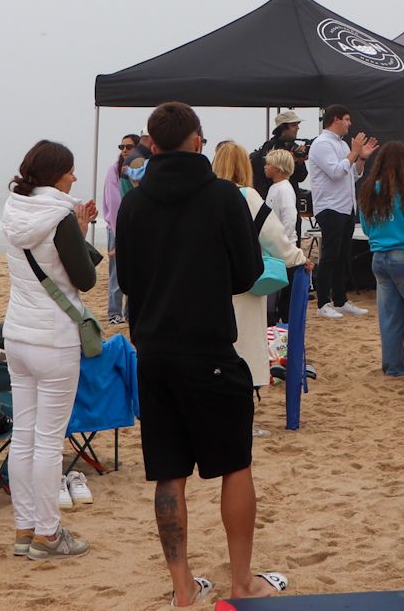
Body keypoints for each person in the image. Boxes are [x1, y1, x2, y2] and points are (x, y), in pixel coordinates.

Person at [113, 103, 283, 607]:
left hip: (154, 351)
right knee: (235, 464)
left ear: (152, 144)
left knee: (169, 472)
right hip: (209, 347)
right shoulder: (223, 197)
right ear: (196, 141)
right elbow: (248, 273)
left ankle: (183, 586)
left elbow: (129, 281)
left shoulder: (135, 205)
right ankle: (241, 581)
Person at [1, 140, 102, 561]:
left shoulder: (14, 208)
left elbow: (49, 263)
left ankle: (25, 529)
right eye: (70, 171)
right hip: (54, 338)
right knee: (47, 440)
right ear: (56, 174)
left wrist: (77, 231)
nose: (74, 177)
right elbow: (84, 279)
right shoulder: (60, 215)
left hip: (17, 334)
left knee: (23, 436)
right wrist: (78, 229)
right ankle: (48, 533)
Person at [212, 141, 306, 394]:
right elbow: (273, 236)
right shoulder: (246, 196)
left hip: (210, 283)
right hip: (243, 284)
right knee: (244, 344)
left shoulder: (203, 197)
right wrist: (298, 257)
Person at [357, 142, 404, 377]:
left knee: (389, 317)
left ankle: (395, 366)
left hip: (379, 259)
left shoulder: (369, 190)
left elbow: (366, 228)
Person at [308, 107, 375, 319]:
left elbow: (352, 175)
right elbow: (336, 172)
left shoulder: (343, 144)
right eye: (346, 119)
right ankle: (322, 303)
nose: (349, 123)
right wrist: (354, 152)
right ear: (335, 120)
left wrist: (361, 158)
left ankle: (340, 300)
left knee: (342, 256)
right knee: (329, 255)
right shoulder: (321, 144)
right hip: (330, 207)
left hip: (345, 207)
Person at [101, 137, 144, 325]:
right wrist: (119, 231)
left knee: (135, 271)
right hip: (117, 226)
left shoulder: (140, 169)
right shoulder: (115, 169)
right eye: (122, 146)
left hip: (135, 226)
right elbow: (112, 201)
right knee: (117, 271)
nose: (124, 150)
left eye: (129, 147)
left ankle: (129, 313)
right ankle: (114, 313)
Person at [262, 150, 301, 328]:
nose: (265, 167)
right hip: (274, 248)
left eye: (268, 164)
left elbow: (289, 219)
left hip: (283, 249)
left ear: (278, 168)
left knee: (282, 295)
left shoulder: (284, 189)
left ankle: (282, 324)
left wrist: (281, 242)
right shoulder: (274, 188)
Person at [250, 112, 306, 195]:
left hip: (290, 195)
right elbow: (267, 173)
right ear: (283, 128)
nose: (298, 128)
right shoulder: (270, 147)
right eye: (294, 125)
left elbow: (301, 177)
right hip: (271, 195)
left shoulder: (295, 148)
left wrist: (300, 161)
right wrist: (290, 159)